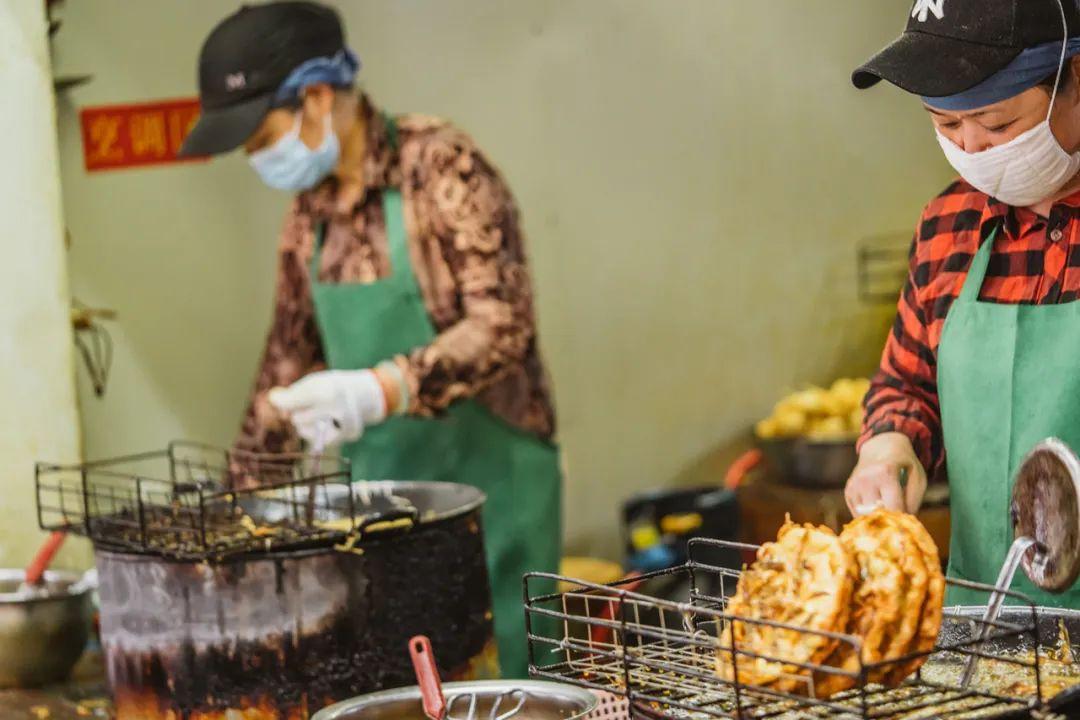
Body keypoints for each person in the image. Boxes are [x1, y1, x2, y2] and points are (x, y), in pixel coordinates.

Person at [178, 1, 561, 677]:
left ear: (317, 98)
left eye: (261, 136)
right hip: (388, 525)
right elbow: (282, 378)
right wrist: (228, 531)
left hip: (495, 498)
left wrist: (384, 388)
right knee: (408, 686)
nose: (256, 157)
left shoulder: (440, 167)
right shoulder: (307, 221)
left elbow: (503, 323)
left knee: (511, 685)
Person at [846, 0, 1080, 607]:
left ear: (1074, 82)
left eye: (997, 125)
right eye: (946, 125)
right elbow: (908, 384)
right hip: (985, 632)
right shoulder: (949, 224)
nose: (973, 148)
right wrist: (888, 449)